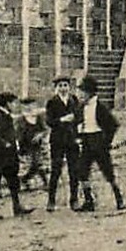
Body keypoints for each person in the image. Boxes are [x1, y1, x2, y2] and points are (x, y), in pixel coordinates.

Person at [75, 76, 124, 212]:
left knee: (108, 172)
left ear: (90, 92)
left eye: (83, 92)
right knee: (82, 171)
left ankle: (118, 198)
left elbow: (113, 125)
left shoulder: (100, 107)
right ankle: (88, 200)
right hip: (86, 143)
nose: (80, 95)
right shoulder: (80, 107)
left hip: (99, 143)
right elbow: (77, 123)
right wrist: (77, 136)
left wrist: (106, 142)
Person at [0, 90, 33, 219]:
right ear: (7, 104)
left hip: (8, 157)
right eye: (13, 103)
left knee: (13, 182)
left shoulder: (7, 116)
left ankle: (17, 207)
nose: (15, 105)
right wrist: (6, 144)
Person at [45, 75, 83, 211]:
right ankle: (51, 201)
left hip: (72, 140)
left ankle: (74, 200)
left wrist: (78, 135)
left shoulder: (74, 100)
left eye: (65, 85)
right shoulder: (52, 102)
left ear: (69, 87)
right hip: (57, 140)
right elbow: (49, 121)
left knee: (74, 170)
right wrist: (62, 120)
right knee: (55, 170)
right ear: (56, 88)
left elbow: (79, 118)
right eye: (60, 86)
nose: (63, 88)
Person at [17, 96, 49, 192]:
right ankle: (24, 179)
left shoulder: (38, 117)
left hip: (36, 145)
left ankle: (44, 183)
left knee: (37, 163)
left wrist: (40, 135)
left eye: (31, 105)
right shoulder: (21, 119)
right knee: (34, 164)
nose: (29, 108)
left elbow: (45, 129)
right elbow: (18, 133)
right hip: (25, 145)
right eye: (26, 106)